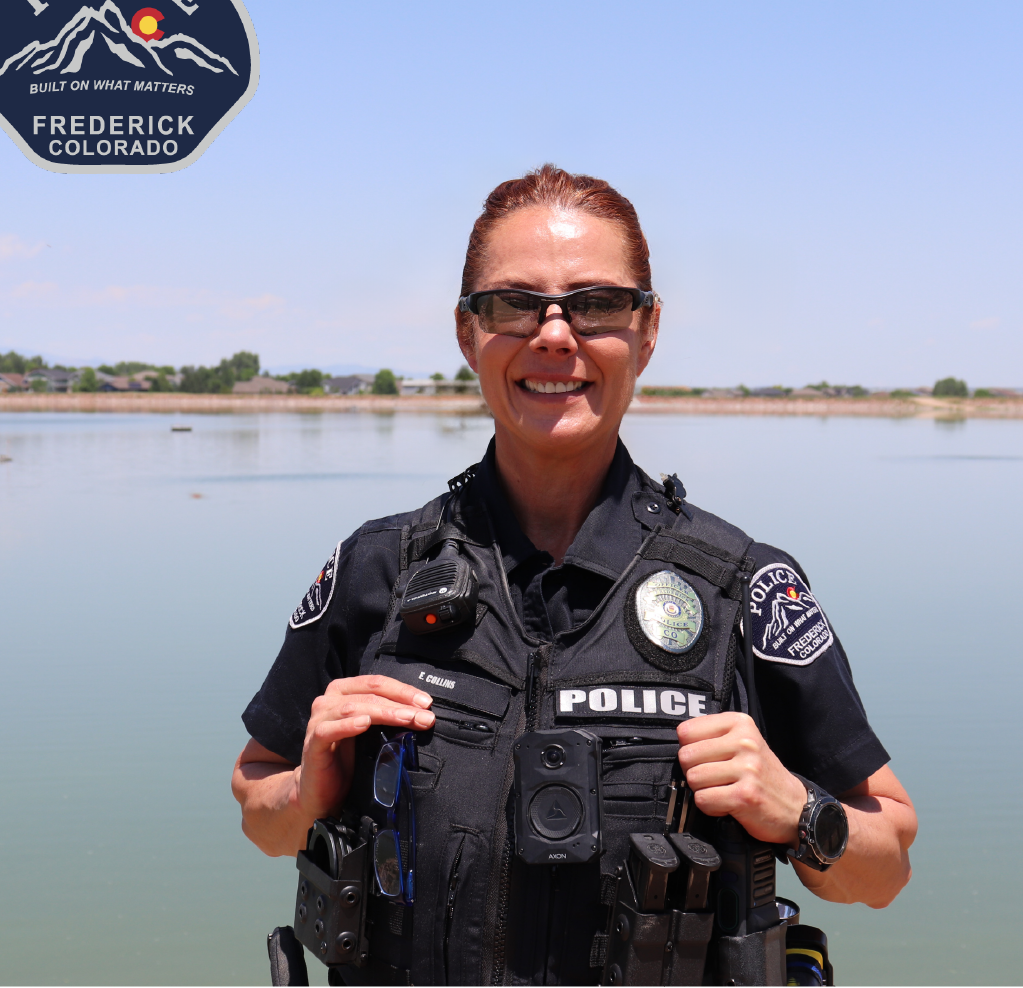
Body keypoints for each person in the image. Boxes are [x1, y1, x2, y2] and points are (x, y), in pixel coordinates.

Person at [232, 164, 917, 986]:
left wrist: (798, 811)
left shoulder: (743, 589)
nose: (554, 336)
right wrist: (310, 784)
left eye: (594, 304)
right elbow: (258, 805)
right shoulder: (378, 569)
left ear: (648, 329)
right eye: (514, 304)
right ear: (466, 334)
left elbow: (885, 867)